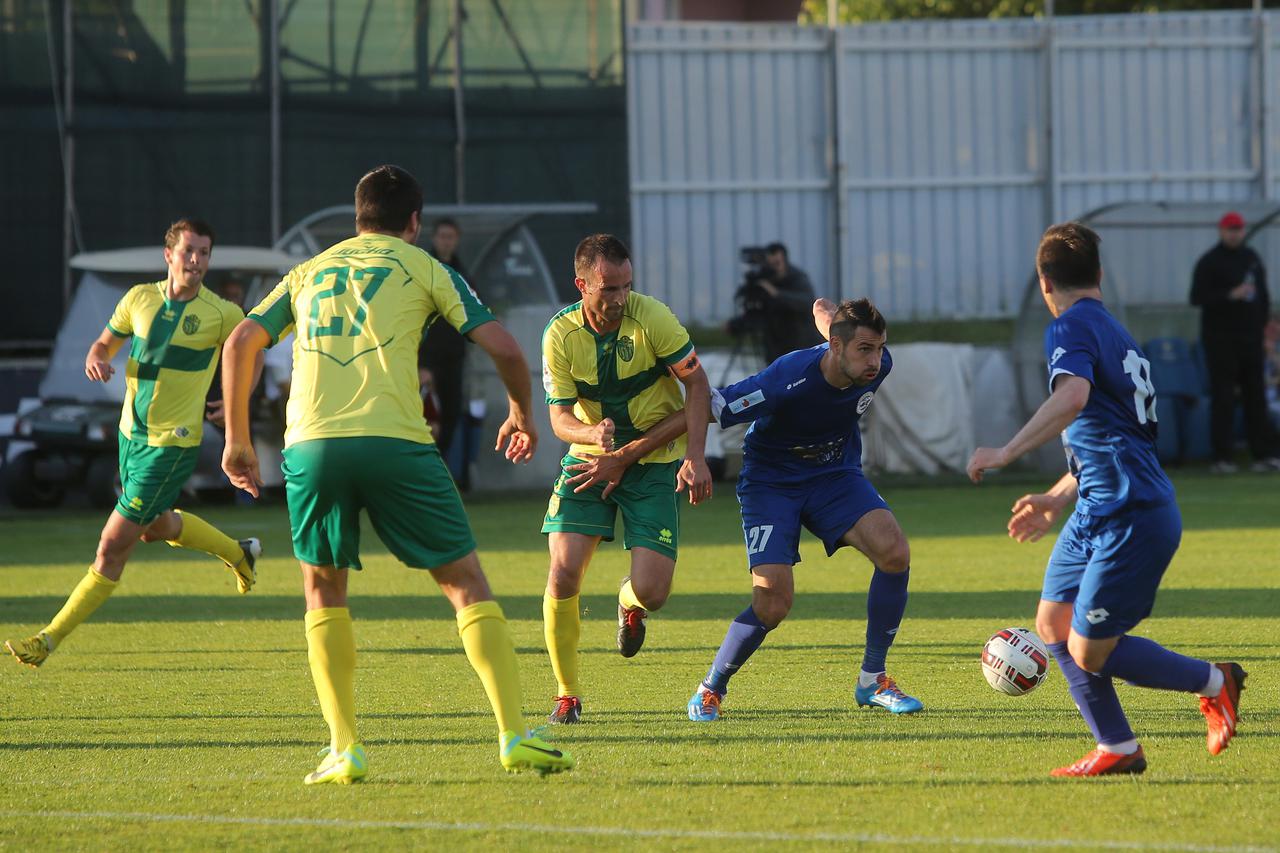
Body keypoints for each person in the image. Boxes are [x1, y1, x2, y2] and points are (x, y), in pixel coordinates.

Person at [219, 164, 573, 784]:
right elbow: (508, 349)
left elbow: (242, 340)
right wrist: (522, 412)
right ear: (414, 222)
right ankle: (514, 735)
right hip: (395, 443)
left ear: (357, 217)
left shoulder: (309, 270)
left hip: (312, 446)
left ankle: (344, 747)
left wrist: (239, 440)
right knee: (465, 582)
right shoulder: (425, 267)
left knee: (323, 591)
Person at [967, 221, 1246, 777]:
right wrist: (1053, 498)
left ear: (1044, 282)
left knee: (1089, 650)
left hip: (1131, 513)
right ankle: (1117, 746)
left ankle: (1217, 681)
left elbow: (1072, 397)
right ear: (1098, 275)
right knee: (1052, 625)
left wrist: (1006, 451)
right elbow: (1110, 440)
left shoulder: (1069, 328)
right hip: (1099, 503)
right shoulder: (1116, 334)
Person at [4, 219, 261, 669]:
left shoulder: (222, 313)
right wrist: (97, 359)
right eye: (189, 251)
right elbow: (103, 344)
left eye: (204, 252)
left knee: (111, 544)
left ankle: (47, 640)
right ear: (169, 255)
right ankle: (240, 554)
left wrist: (237, 398)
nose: (197, 261)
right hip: (130, 437)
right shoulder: (139, 299)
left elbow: (251, 349)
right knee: (155, 527)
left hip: (172, 446)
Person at [686, 297, 923, 723]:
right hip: (771, 481)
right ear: (835, 347)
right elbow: (714, 405)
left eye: (879, 347)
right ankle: (711, 687)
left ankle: (873, 679)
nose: (876, 360)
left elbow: (828, 317)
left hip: (834, 474)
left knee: (895, 552)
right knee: (773, 601)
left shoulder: (874, 364)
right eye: (864, 349)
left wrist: (826, 313)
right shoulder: (787, 378)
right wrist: (688, 456)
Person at [539, 233, 713, 725]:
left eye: (626, 286)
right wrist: (591, 432)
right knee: (562, 573)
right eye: (608, 288)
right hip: (590, 460)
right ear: (581, 285)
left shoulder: (653, 317)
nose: (619, 298)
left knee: (654, 591)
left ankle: (628, 601)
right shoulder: (559, 335)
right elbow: (558, 418)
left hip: (654, 462)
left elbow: (697, 388)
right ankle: (567, 695)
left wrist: (695, 457)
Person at [1189, 211, 1279, 473]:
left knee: (1256, 397)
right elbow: (1197, 297)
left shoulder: (1251, 259)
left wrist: (1265, 330)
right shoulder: (1210, 261)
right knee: (1224, 398)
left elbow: (1263, 297)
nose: (1235, 233)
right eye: (1230, 229)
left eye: (1238, 229)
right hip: (1221, 342)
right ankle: (1222, 457)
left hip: (1251, 340)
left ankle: (1262, 455)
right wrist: (1230, 294)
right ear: (1221, 231)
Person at [419, 217, 470, 465]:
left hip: (454, 359)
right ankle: (422, 470)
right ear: (434, 238)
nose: (446, 242)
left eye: (450, 237)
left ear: (456, 240)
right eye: (442, 236)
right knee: (426, 417)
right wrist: (421, 362)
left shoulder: (462, 272)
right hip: (427, 360)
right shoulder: (425, 268)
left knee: (451, 414)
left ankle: (442, 468)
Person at [730, 242, 824, 364]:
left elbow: (806, 303)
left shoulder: (797, 278)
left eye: (777, 263)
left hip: (800, 343)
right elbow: (757, 310)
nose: (774, 267)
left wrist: (776, 293)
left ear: (784, 261)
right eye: (770, 264)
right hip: (774, 344)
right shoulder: (764, 279)